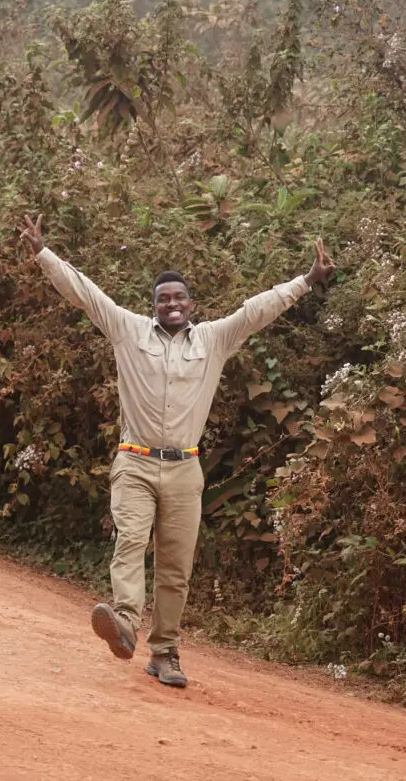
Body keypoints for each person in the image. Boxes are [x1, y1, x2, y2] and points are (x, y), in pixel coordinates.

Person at [20, 214, 336, 688]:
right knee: (129, 540)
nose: (172, 303)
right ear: (153, 308)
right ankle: (124, 621)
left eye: (179, 297)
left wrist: (307, 280)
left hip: (185, 468)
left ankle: (165, 653)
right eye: (163, 298)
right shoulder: (127, 331)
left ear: (192, 305)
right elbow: (84, 292)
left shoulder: (214, 339)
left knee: (175, 568)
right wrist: (43, 253)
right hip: (135, 461)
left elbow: (257, 309)